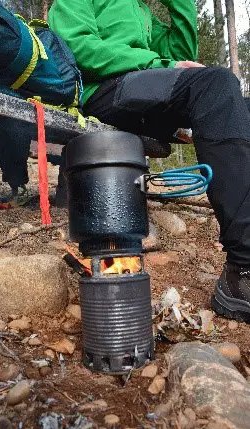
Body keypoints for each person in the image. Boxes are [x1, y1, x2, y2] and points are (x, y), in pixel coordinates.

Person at [49, 0, 250, 323]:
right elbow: (78, 48)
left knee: (240, 107)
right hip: (105, 91)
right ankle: (243, 269)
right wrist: (157, 62)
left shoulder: (140, 11)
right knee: (217, 84)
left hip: (146, 92)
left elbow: (181, 48)